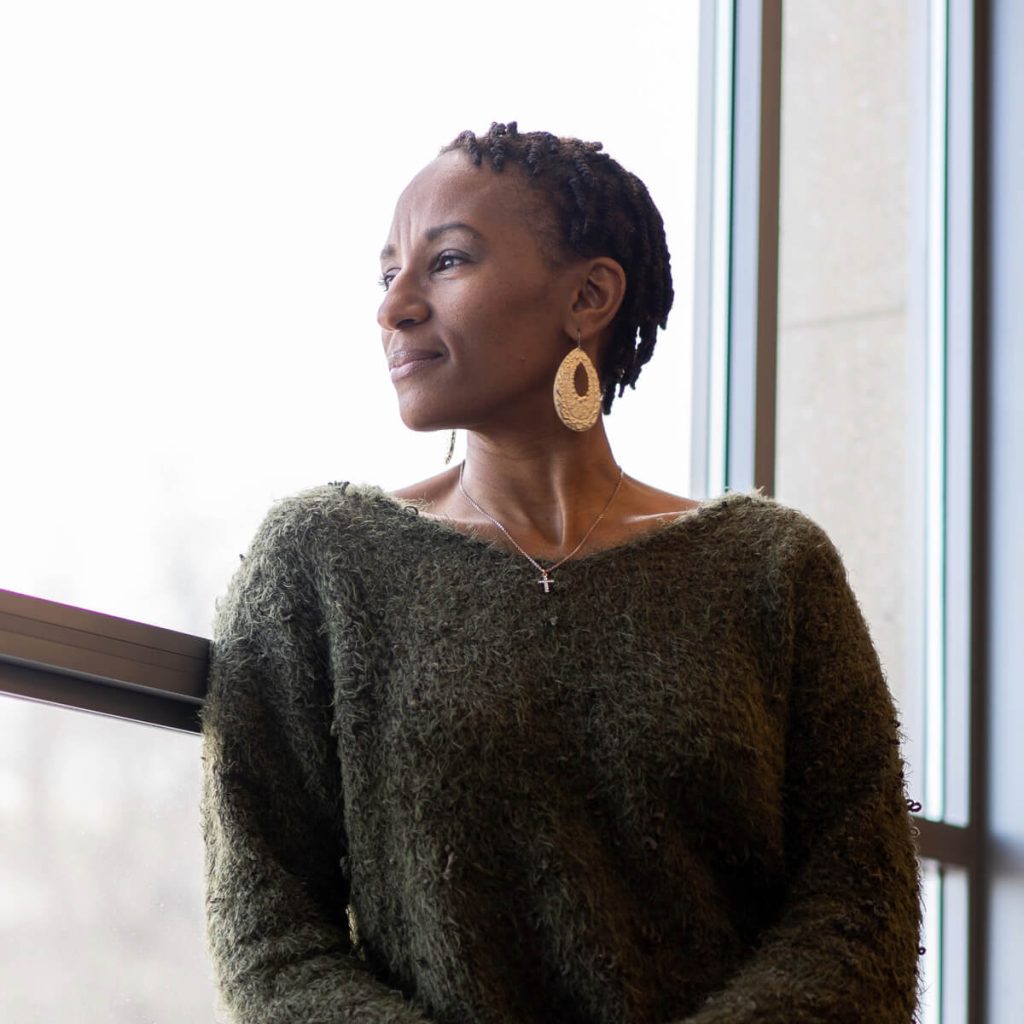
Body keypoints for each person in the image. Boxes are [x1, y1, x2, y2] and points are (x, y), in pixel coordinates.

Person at [200, 122, 922, 1023]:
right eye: (388, 275)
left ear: (588, 296)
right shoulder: (319, 562)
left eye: (447, 262)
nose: (394, 308)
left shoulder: (772, 571)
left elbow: (858, 915)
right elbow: (272, 938)